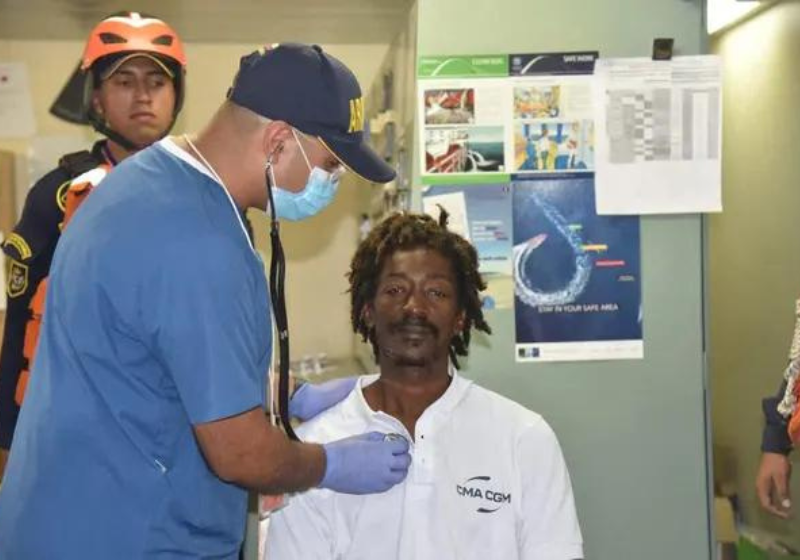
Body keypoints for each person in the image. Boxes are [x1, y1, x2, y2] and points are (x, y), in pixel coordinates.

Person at [0, 43, 411, 558]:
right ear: (279, 141)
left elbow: (151, 359)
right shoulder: (198, 239)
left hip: (65, 519)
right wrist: (330, 464)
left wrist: (287, 393)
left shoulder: (148, 181)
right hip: (125, 536)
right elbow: (240, 453)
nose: (333, 182)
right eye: (332, 164)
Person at [265, 211, 584, 560]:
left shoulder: (523, 438)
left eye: (436, 292)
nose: (414, 307)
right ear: (368, 309)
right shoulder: (316, 452)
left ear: (461, 316)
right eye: (396, 289)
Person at [0, 11, 187, 480]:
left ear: (175, 96)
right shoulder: (58, 194)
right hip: (71, 438)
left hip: (176, 435)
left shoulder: (207, 191)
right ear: (97, 100)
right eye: (124, 80)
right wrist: (6, 443)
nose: (143, 94)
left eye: (157, 81)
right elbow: (21, 324)